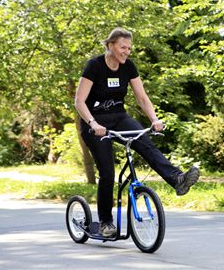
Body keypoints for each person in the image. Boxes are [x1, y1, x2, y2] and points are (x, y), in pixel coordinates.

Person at [74, 27, 200, 238]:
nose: (127, 52)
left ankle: (177, 179)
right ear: (111, 45)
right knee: (107, 173)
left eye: (129, 48)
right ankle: (106, 223)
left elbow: (142, 97)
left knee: (145, 142)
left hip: (118, 118)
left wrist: (154, 119)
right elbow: (79, 101)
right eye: (123, 47)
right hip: (93, 123)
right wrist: (93, 123)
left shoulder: (128, 67)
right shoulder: (94, 66)